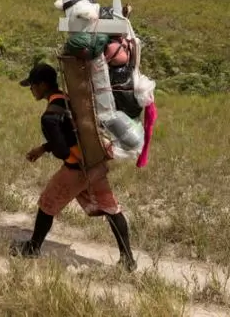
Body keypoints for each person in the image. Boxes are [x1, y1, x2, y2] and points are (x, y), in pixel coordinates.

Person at [9, 61, 138, 272]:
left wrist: (50, 145)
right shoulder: (68, 99)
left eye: (32, 85)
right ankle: (128, 259)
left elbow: (62, 150)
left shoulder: (49, 116)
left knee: (46, 204)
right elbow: (72, 133)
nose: (31, 90)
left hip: (76, 170)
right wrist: (43, 148)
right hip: (93, 164)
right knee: (111, 209)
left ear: (42, 85)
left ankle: (32, 248)